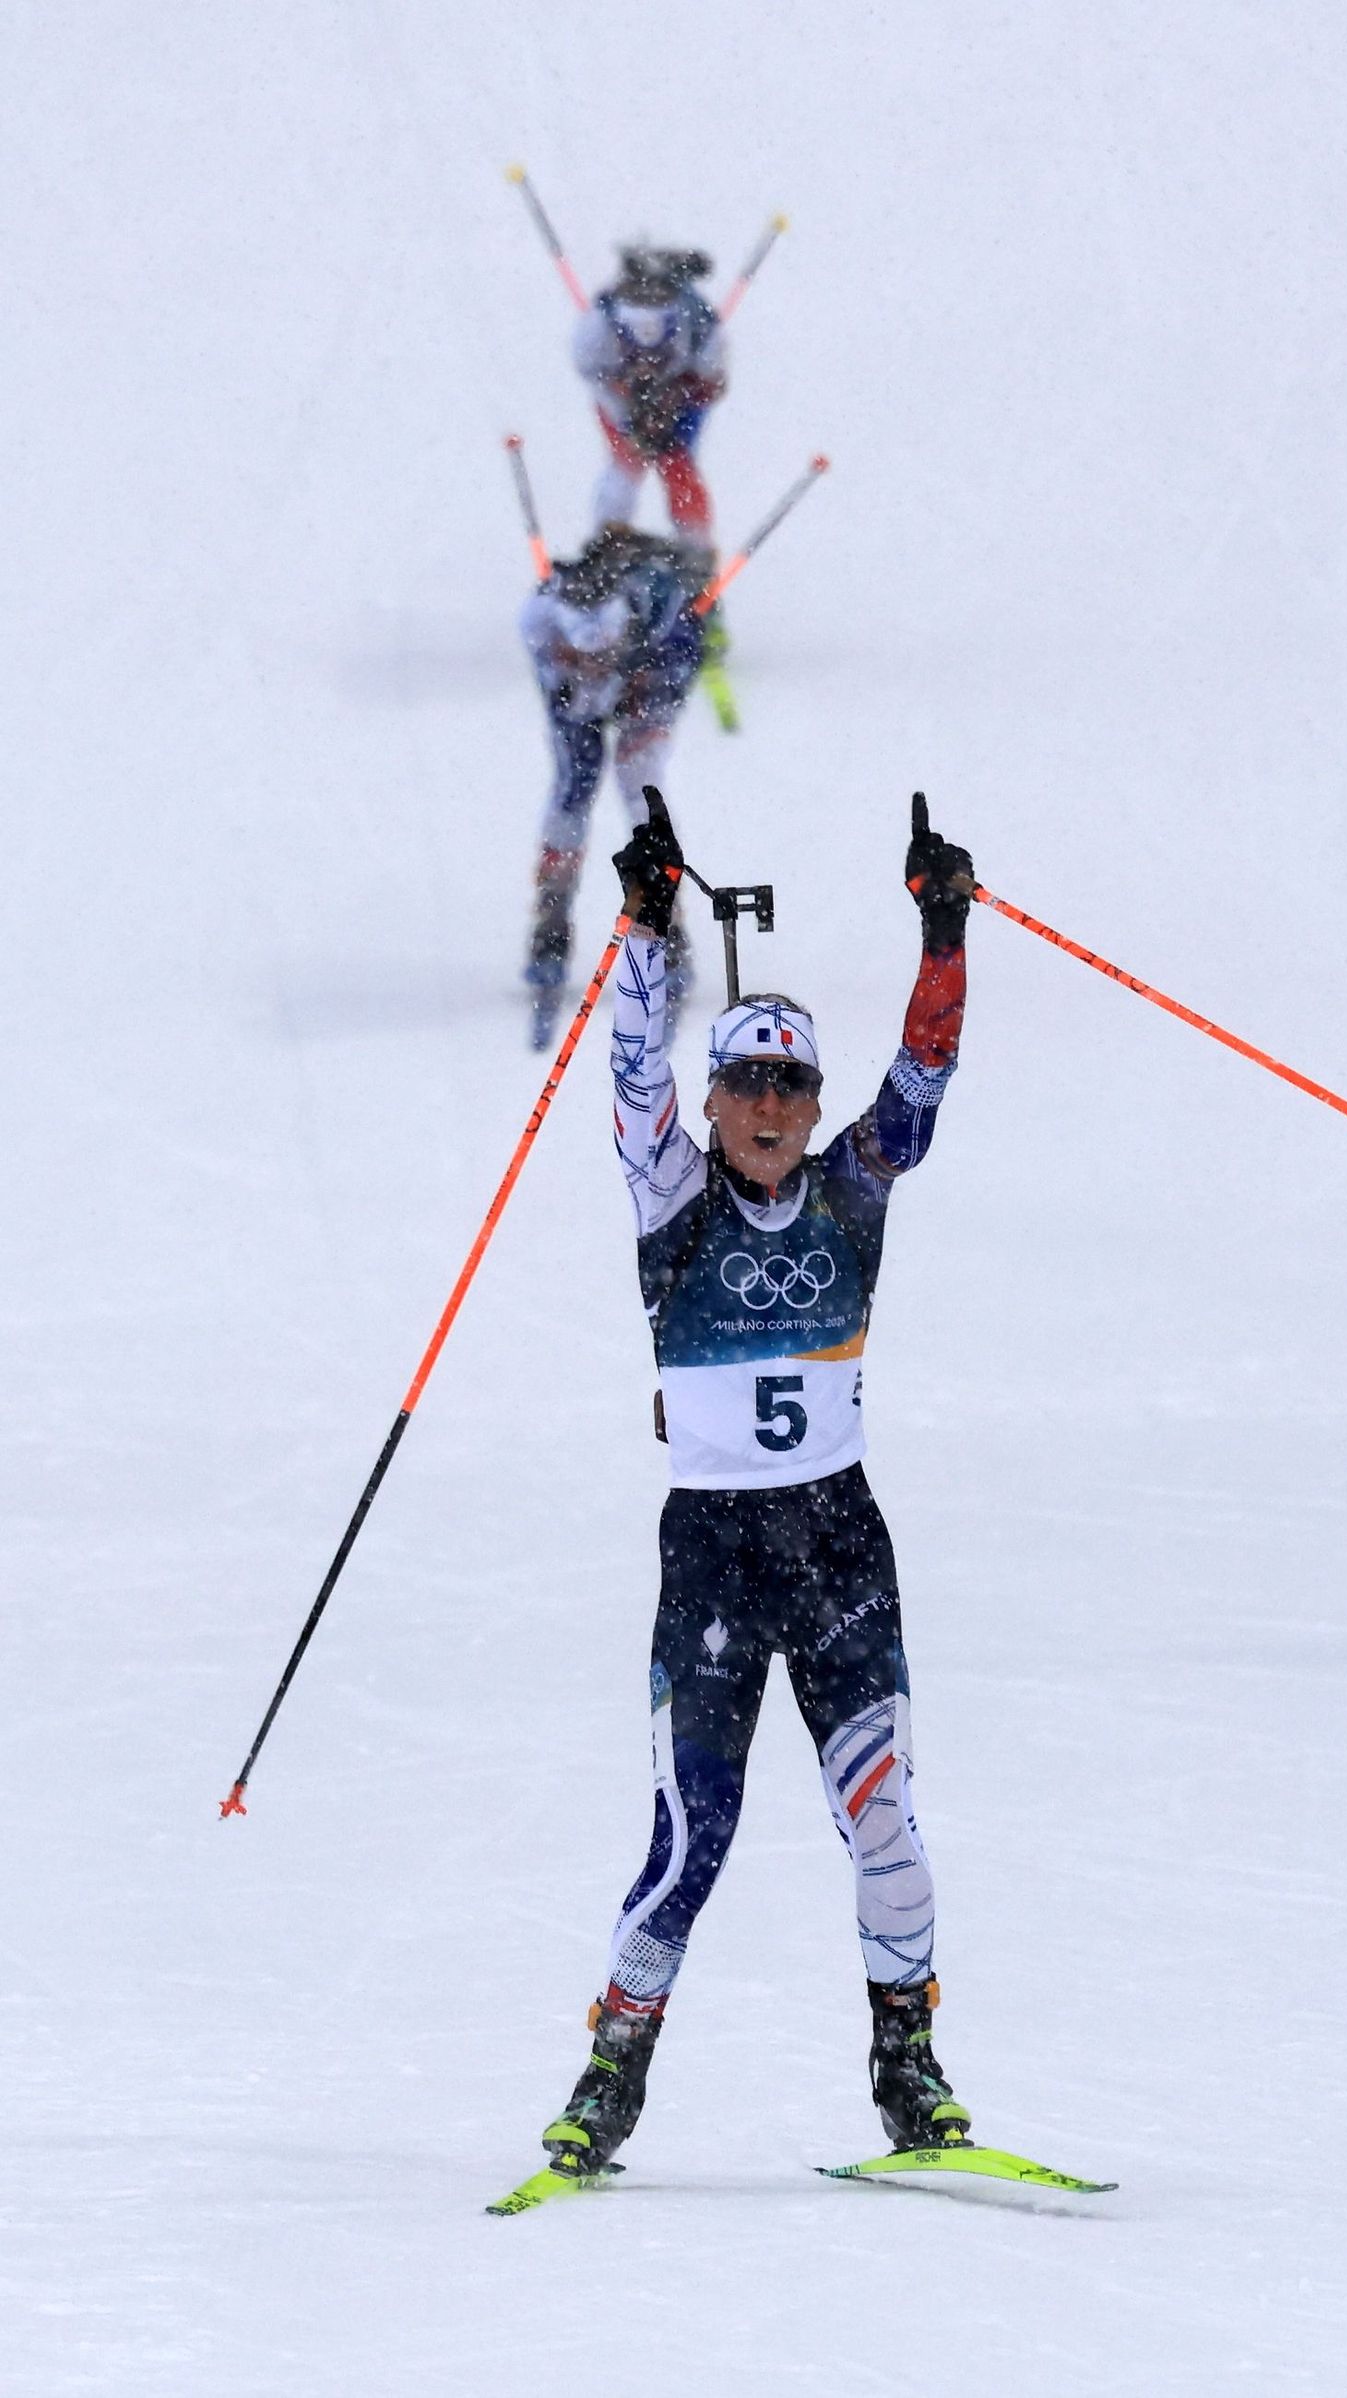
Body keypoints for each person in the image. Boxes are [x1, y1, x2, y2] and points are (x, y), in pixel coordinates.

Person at [538, 789, 976, 2176]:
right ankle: (614, 2066)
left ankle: (908, 2062)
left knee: (886, 1820)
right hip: (718, 1552)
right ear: (717, 1099)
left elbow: (923, 1075)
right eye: (749, 1084)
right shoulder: (674, 1199)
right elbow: (626, 1074)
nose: (774, 1107)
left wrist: (944, 932)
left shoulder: (855, 1188)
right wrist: (645, 924)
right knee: (692, 1836)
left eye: (794, 1083)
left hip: (841, 1544)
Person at [518, 527, 704, 1046]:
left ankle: (669, 922)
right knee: (574, 785)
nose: (595, 661)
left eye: (605, 653)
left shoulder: (664, 617)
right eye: (585, 655)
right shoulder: (540, 623)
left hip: (653, 677)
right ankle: (550, 922)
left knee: (641, 785)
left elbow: (684, 660)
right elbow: (567, 701)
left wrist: (639, 689)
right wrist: (587, 686)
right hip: (586, 692)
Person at [573, 246, 727, 542]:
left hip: (682, 400)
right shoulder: (600, 325)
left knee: (678, 464)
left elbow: (711, 379)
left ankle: (695, 546)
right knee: (627, 460)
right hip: (620, 399)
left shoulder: (698, 323)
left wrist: (673, 405)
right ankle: (609, 534)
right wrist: (629, 419)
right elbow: (593, 371)